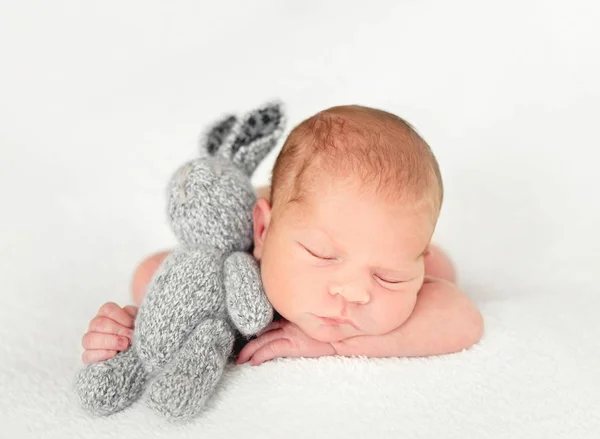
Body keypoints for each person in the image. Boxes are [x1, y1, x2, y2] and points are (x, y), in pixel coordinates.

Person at [81, 105, 483, 366]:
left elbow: (463, 321)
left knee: (446, 269)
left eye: (387, 276)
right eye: (322, 255)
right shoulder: (242, 262)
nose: (353, 293)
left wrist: (330, 345)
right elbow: (152, 275)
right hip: (264, 208)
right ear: (263, 230)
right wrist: (130, 327)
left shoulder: (417, 264)